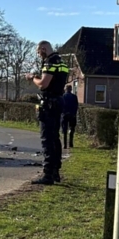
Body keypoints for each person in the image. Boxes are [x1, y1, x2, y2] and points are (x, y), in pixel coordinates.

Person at [25, 41, 68, 185]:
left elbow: (44, 84)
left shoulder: (50, 62)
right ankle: (55, 171)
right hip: (59, 101)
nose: (39, 55)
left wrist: (32, 78)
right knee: (55, 138)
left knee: (47, 139)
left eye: (39, 52)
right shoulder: (61, 61)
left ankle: (48, 174)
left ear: (43, 49)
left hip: (49, 104)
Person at [60, 84, 78, 149]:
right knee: (71, 128)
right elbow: (76, 106)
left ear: (65, 89)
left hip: (64, 115)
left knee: (64, 129)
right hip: (72, 115)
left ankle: (64, 144)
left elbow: (61, 106)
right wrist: (74, 113)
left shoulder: (62, 96)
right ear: (71, 89)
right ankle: (71, 143)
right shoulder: (74, 97)